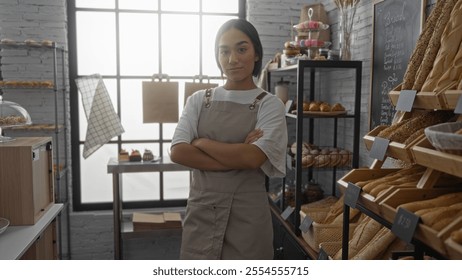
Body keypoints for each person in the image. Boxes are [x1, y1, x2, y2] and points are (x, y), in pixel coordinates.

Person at [170, 18, 288, 260]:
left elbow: (253, 158)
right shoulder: (198, 100)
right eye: (224, 51)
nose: (232, 59)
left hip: (248, 218)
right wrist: (237, 155)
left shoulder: (270, 104)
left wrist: (201, 143)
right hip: (202, 213)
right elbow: (179, 152)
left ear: (256, 54)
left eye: (241, 49)